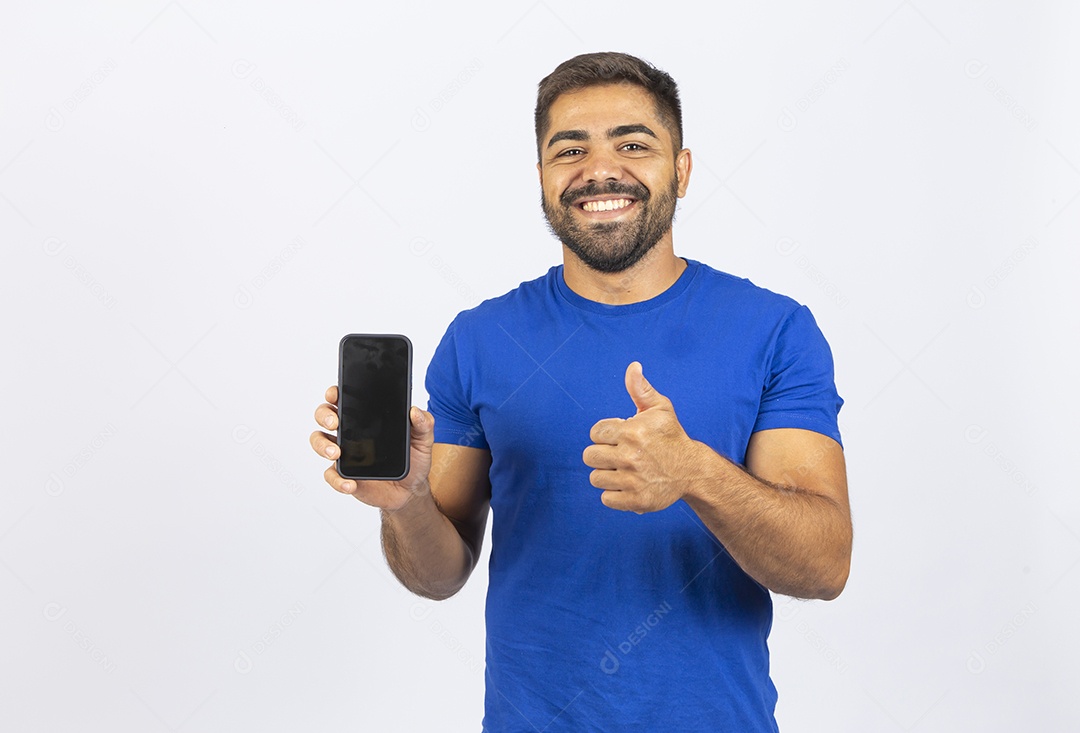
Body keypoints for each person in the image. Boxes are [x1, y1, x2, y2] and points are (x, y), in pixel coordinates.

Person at [310, 51, 851, 732]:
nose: (600, 168)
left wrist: (695, 471)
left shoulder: (775, 330)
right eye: (570, 148)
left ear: (680, 170)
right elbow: (438, 573)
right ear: (541, 177)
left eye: (633, 143)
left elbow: (824, 564)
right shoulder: (480, 339)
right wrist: (407, 502)